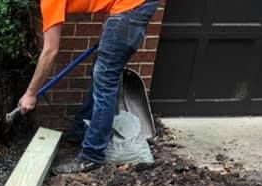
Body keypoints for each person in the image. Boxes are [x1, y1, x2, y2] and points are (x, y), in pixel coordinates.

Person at [20, 0, 160, 173]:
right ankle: (79, 131)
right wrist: (112, 22)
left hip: (131, 8)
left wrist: (31, 94)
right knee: (102, 73)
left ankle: (92, 156)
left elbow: (50, 51)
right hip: (133, 7)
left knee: (105, 79)